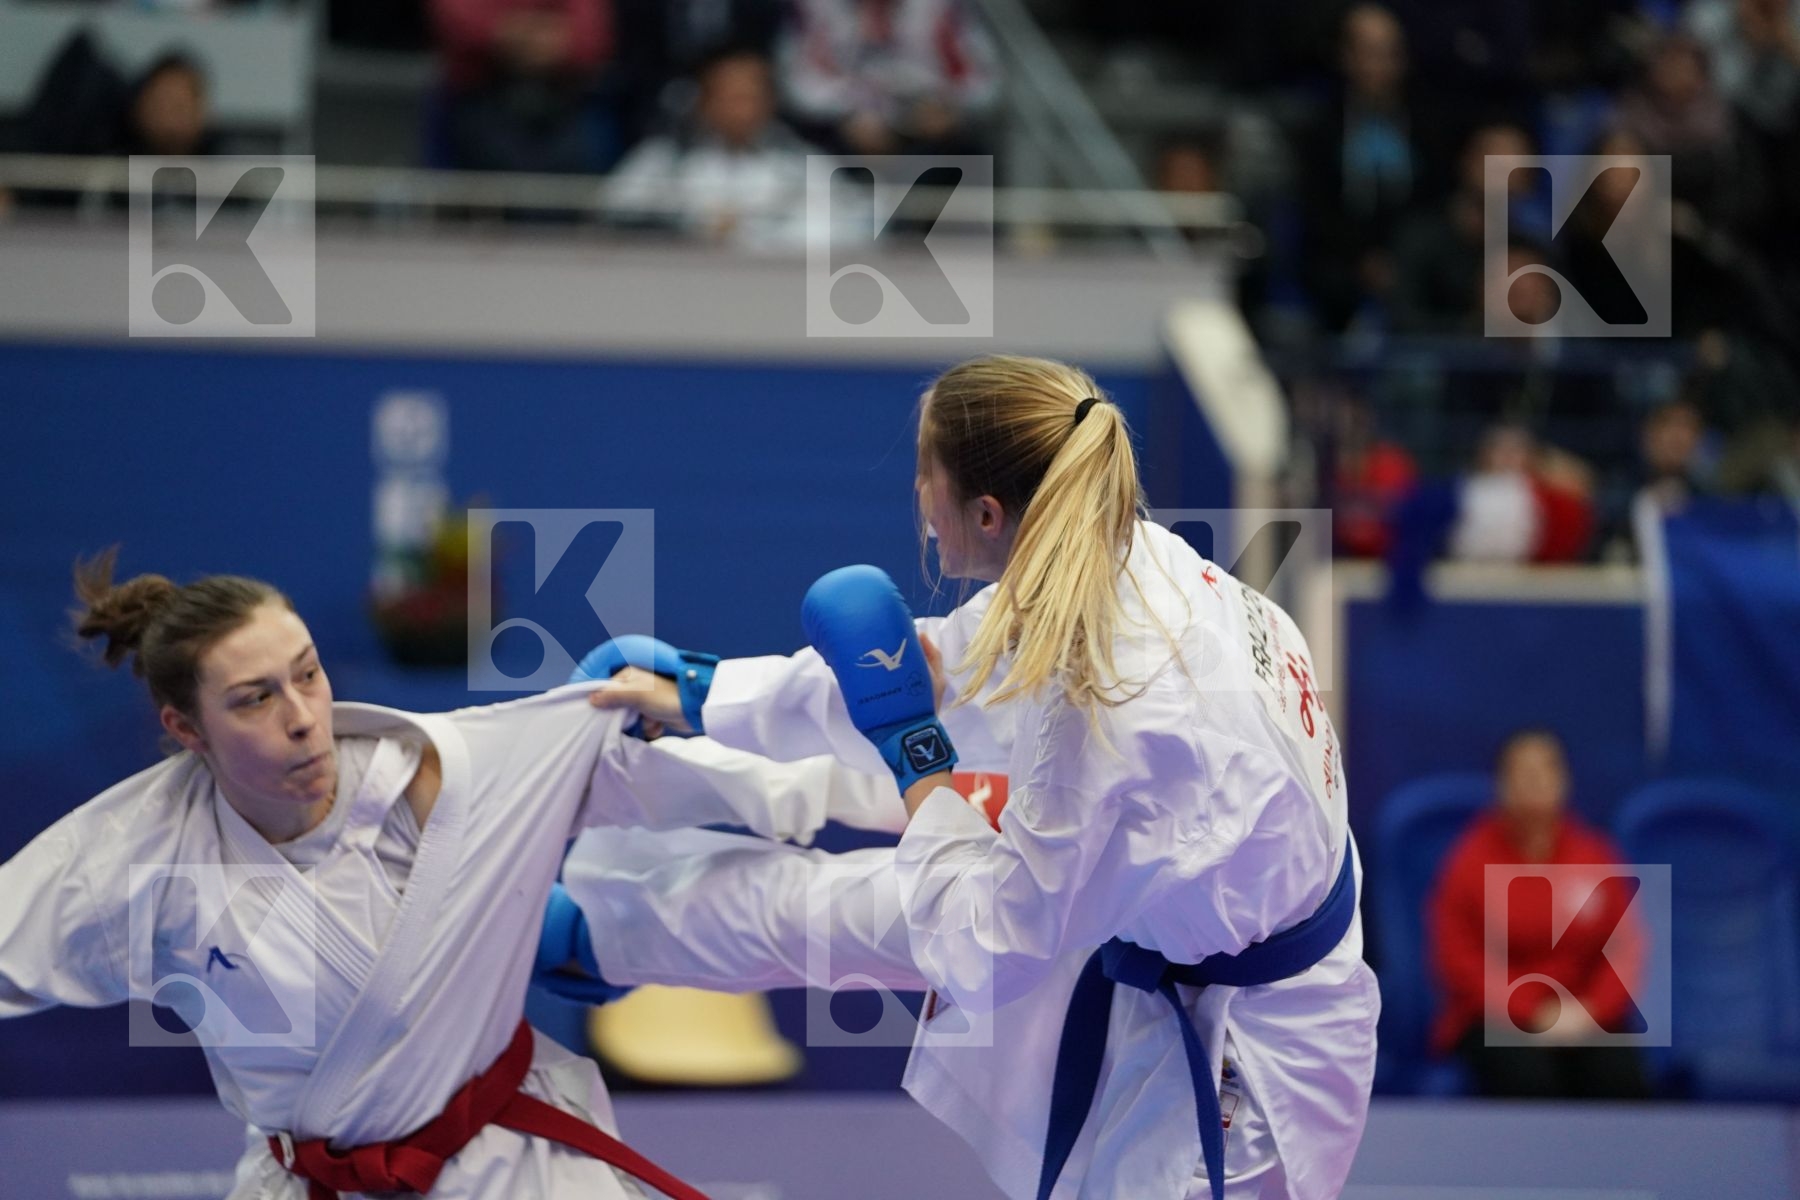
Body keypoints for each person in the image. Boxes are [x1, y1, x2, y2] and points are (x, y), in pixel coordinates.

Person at [582, 355, 1380, 1200]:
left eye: (926, 478)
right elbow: (927, 672)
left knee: (895, 912)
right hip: (1191, 956)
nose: (921, 507)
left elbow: (987, 949)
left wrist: (912, 752)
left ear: (988, 513)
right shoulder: (1111, 558)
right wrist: (703, 695)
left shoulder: (1114, 709)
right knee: (843, 906)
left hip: (1255, 1066)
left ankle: (603, 930)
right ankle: (608, 925)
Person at [0, 549, 901, 1200]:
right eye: (254, 699)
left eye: (307, 674)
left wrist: (916, 790)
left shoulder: (446, 776)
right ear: (185, 729)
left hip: (509, 1168)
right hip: (304, 1176)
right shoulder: (131, 857)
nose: (304, 717)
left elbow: (708, 779)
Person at [1427, 729, 1651, 1100]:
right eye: (1522, 772)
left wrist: (1589, 1011)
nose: (1534, 781)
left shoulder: (1593, 855)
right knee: (1528, 1080)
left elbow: (1625, 949)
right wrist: (1531, 1012)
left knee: (1621, 1078)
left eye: (1545, 769)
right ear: (1502, 784)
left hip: (1583, 1015)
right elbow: (1458, 959)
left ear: (1564, 780)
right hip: (1493, 1018)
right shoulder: (1468, 860)